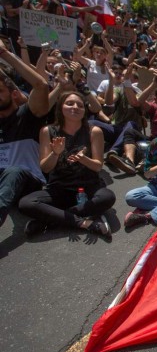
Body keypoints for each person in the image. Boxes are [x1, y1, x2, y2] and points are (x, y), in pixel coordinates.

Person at [19, 92, 115, 238]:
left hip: (88, 188)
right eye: (69, 103)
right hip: (60, 189)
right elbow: (45, 167)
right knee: (26, 203)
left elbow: (97, 166)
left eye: (80, 105)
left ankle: (52, 220)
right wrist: (55, 153)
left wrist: (83, 159)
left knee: (107, 197)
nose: (75, 107)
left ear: (84, 111)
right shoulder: (47, 131)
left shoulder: (94, 131)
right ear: (60, 108)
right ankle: (83, 223)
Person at [0, 42, 50, 228]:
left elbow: (41, 85)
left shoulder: (27, 115)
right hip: (2, 182)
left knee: (14, 170)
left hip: (28, 182)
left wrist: (4, 53)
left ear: (13, 94)